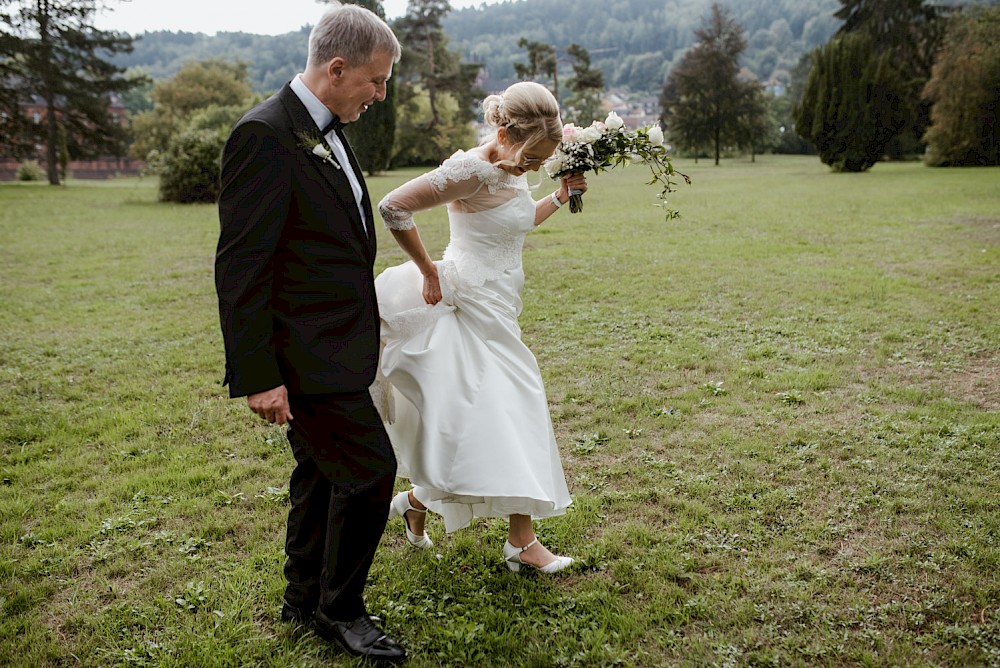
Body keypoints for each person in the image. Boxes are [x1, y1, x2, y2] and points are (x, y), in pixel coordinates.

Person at [214, 3, 406, 663]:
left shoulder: (323, 126)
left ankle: (302, 598)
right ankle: (341, 610)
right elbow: (241, 266)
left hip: (340, 344)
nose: (379, 96)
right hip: (303, 354)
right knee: (371, 469)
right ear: (336, 67)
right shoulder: (265, 134)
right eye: (375, 82)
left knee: (320, 475)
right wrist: (259, 374)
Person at [372, 81, 588, 574]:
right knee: (515, 405)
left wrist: (557, 196)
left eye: (544, 160)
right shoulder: (470, 171)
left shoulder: (513, 166)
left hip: (501, 302)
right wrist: (428, 270)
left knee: (480, 422)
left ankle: (415, 503)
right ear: (506, 133)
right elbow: (393, 206)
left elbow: (515, 223)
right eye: (533, 158)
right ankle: (521, 543)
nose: (534, 166)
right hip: (466, 301)